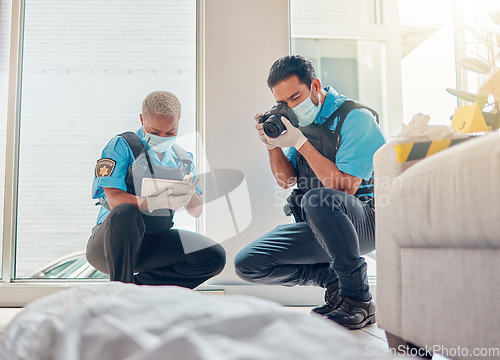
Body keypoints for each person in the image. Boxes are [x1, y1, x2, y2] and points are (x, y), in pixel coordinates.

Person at [234, 55, 385, 330]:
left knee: (319, 197)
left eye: (295, 98)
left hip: (365, 222)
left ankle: (359, 298)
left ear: (315, 86)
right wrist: (273, 144)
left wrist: (301, 141)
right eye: (284, 102)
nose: (291, 107)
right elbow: (285, 179)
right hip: (320, 224)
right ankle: (334, 283)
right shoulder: (300, 122)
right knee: (248, 263)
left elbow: (345, 187)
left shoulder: (356, 118)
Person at [86, 91, 226, 288]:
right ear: (142, 119)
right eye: (155, 131)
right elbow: (114, 198)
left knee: (213, 255)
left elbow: (197, 211)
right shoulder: (123, 145)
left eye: (170, 133)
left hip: (153, 241)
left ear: (178, 122)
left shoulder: (182, 159)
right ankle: (120, 293)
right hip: (112, 243)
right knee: (127, 211)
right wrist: (151, 202)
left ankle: (138, 291)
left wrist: (188, 195)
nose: (163, 137)